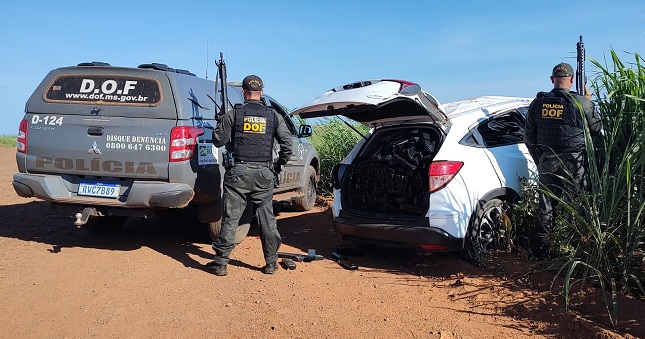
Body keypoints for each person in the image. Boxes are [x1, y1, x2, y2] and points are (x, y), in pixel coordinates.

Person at [209, 75, 293, 276]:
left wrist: (221, 121)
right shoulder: (273, 116)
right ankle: (271, 263)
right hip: (264, 173)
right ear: (261, 92)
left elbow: (218, 141)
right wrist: (277, 166)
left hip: (238, 172)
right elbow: (287, 146)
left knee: (231, 219)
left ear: (244, 92)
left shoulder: (234, 114)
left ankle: (221, 263)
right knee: (267, 220)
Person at [524, 62, 603, 258]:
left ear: (552, 80)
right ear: (572, 79)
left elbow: (529, 138)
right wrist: (588, 101)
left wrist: (539, 159)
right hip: (575, 162)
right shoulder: (581, 102)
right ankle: (578, 249)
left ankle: (544, 249)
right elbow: (597, 128)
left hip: (547, 160)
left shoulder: (538, 103)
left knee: (547, 204)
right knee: (579, 203)